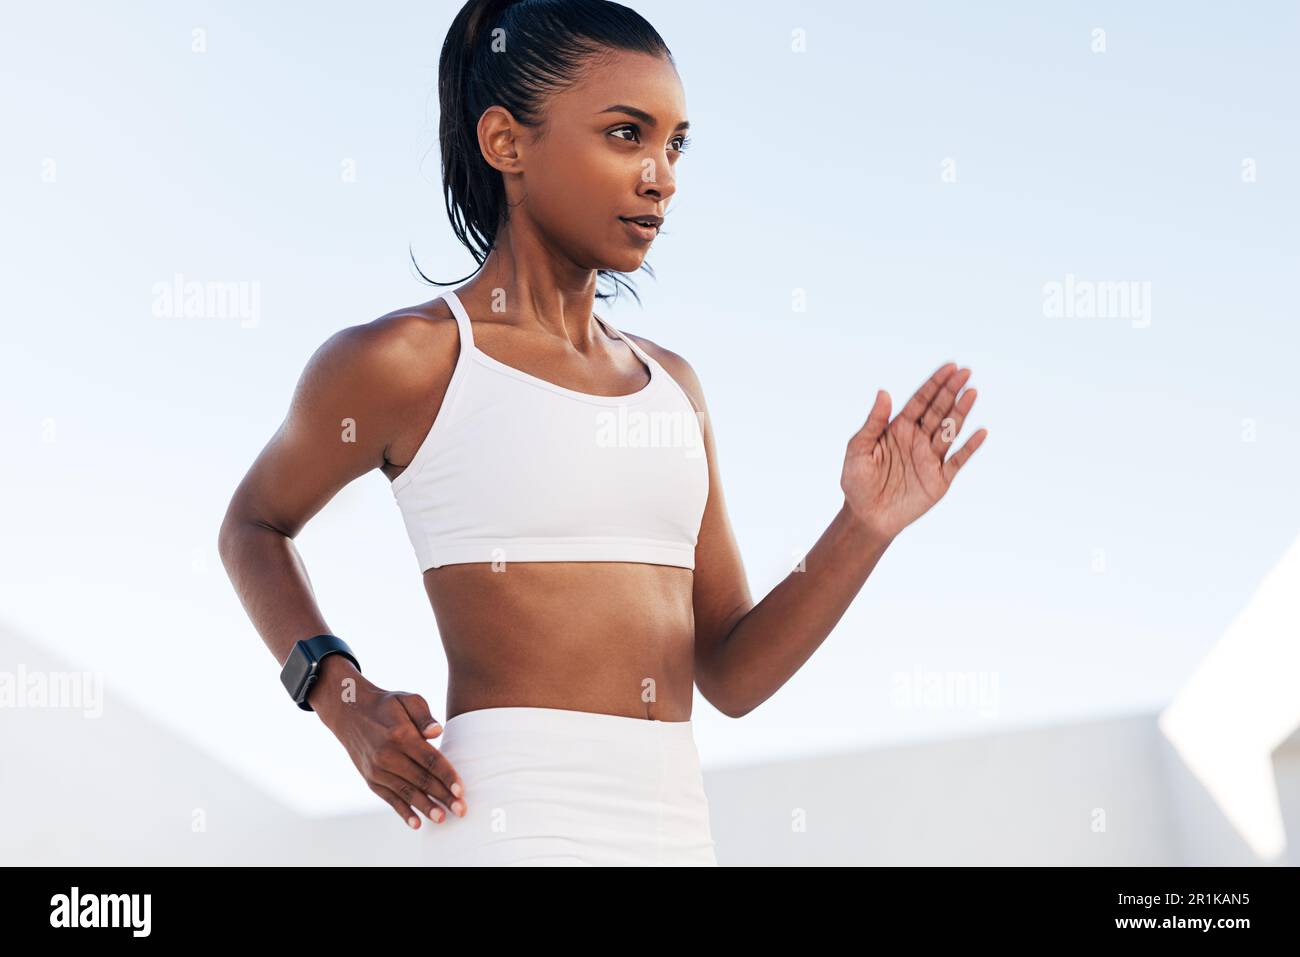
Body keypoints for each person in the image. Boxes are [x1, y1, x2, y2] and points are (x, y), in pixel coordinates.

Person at [217, 0, 988, 867]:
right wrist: (338, 692)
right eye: (627, 134)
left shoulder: (674, 388)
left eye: (676, 144)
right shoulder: (412, 360)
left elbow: (731, 673)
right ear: (506, 142)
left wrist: (865, 524)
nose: (662, 177)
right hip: (508, 827)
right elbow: (252, 524)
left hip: (677, 836)